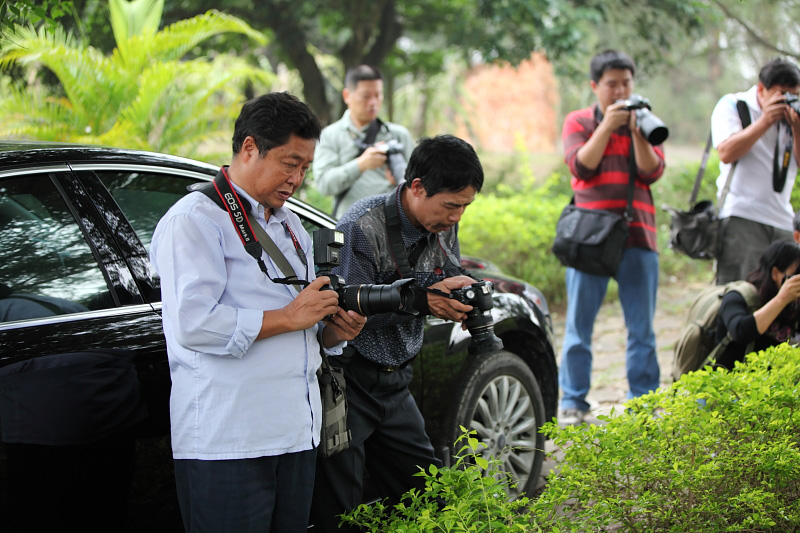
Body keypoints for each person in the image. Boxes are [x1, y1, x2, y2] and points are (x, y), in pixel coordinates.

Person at [150, 92, 366, 533]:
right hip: (229, 439)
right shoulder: (195, 219)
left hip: (295, 434)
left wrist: (333, 331)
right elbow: (194, 324)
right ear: (249, 148)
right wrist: (292, 316)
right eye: (290, 163)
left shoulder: (289, 225)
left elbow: (303, 326)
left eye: (305, 167)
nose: (298, 178)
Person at [310, 134, 483, 532]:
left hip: (396, 381)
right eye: (451, 205)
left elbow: (445, 272)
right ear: (417, 187)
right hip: (349, 382)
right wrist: (422, 301)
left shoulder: (441, 224)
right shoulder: (360, 225)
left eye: (465, 207)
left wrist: (463, 292)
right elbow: (342, 310)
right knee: (342, 512)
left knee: (430, 498)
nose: (457, 217)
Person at [558, 49, 666, 426]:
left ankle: (643, 400)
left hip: (639, 235)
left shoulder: (645, 120)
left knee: (642, 329)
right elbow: (580, 166)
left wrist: (637, 131)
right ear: (595, 86)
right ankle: (572, 401)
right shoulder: (579, 120)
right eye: (612, 84)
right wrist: (607, 126)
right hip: (591, 239)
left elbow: (653, 172)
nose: (620, 90)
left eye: (626, 83)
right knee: (578, 327)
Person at [711, 58, 800, 285]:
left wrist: (797, 128)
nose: (788, 101)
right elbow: (726, 152)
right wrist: (765, 121)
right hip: (742, 216)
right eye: (782, 94)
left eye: (794, 95)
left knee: (779, 298)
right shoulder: (734, 105)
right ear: (761, 89)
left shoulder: (794, 116)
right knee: (738, 293)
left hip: (782, 219)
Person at [313, 64, 415, 218]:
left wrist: (400, 182)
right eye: (366, 96)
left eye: (378, 95)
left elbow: (419, 187)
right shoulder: (330, 135)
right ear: (347, 96)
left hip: (391, 226)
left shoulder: (398, 135)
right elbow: (324, 185)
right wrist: (361, 165)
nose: (373, 102)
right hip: (349, 227)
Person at [715, 241, 800, 369]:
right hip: (728, 382)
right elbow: (741, 332)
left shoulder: (794, 305)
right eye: (796, 277)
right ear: (775, 273)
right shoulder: (739, 296)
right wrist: (782, 299)